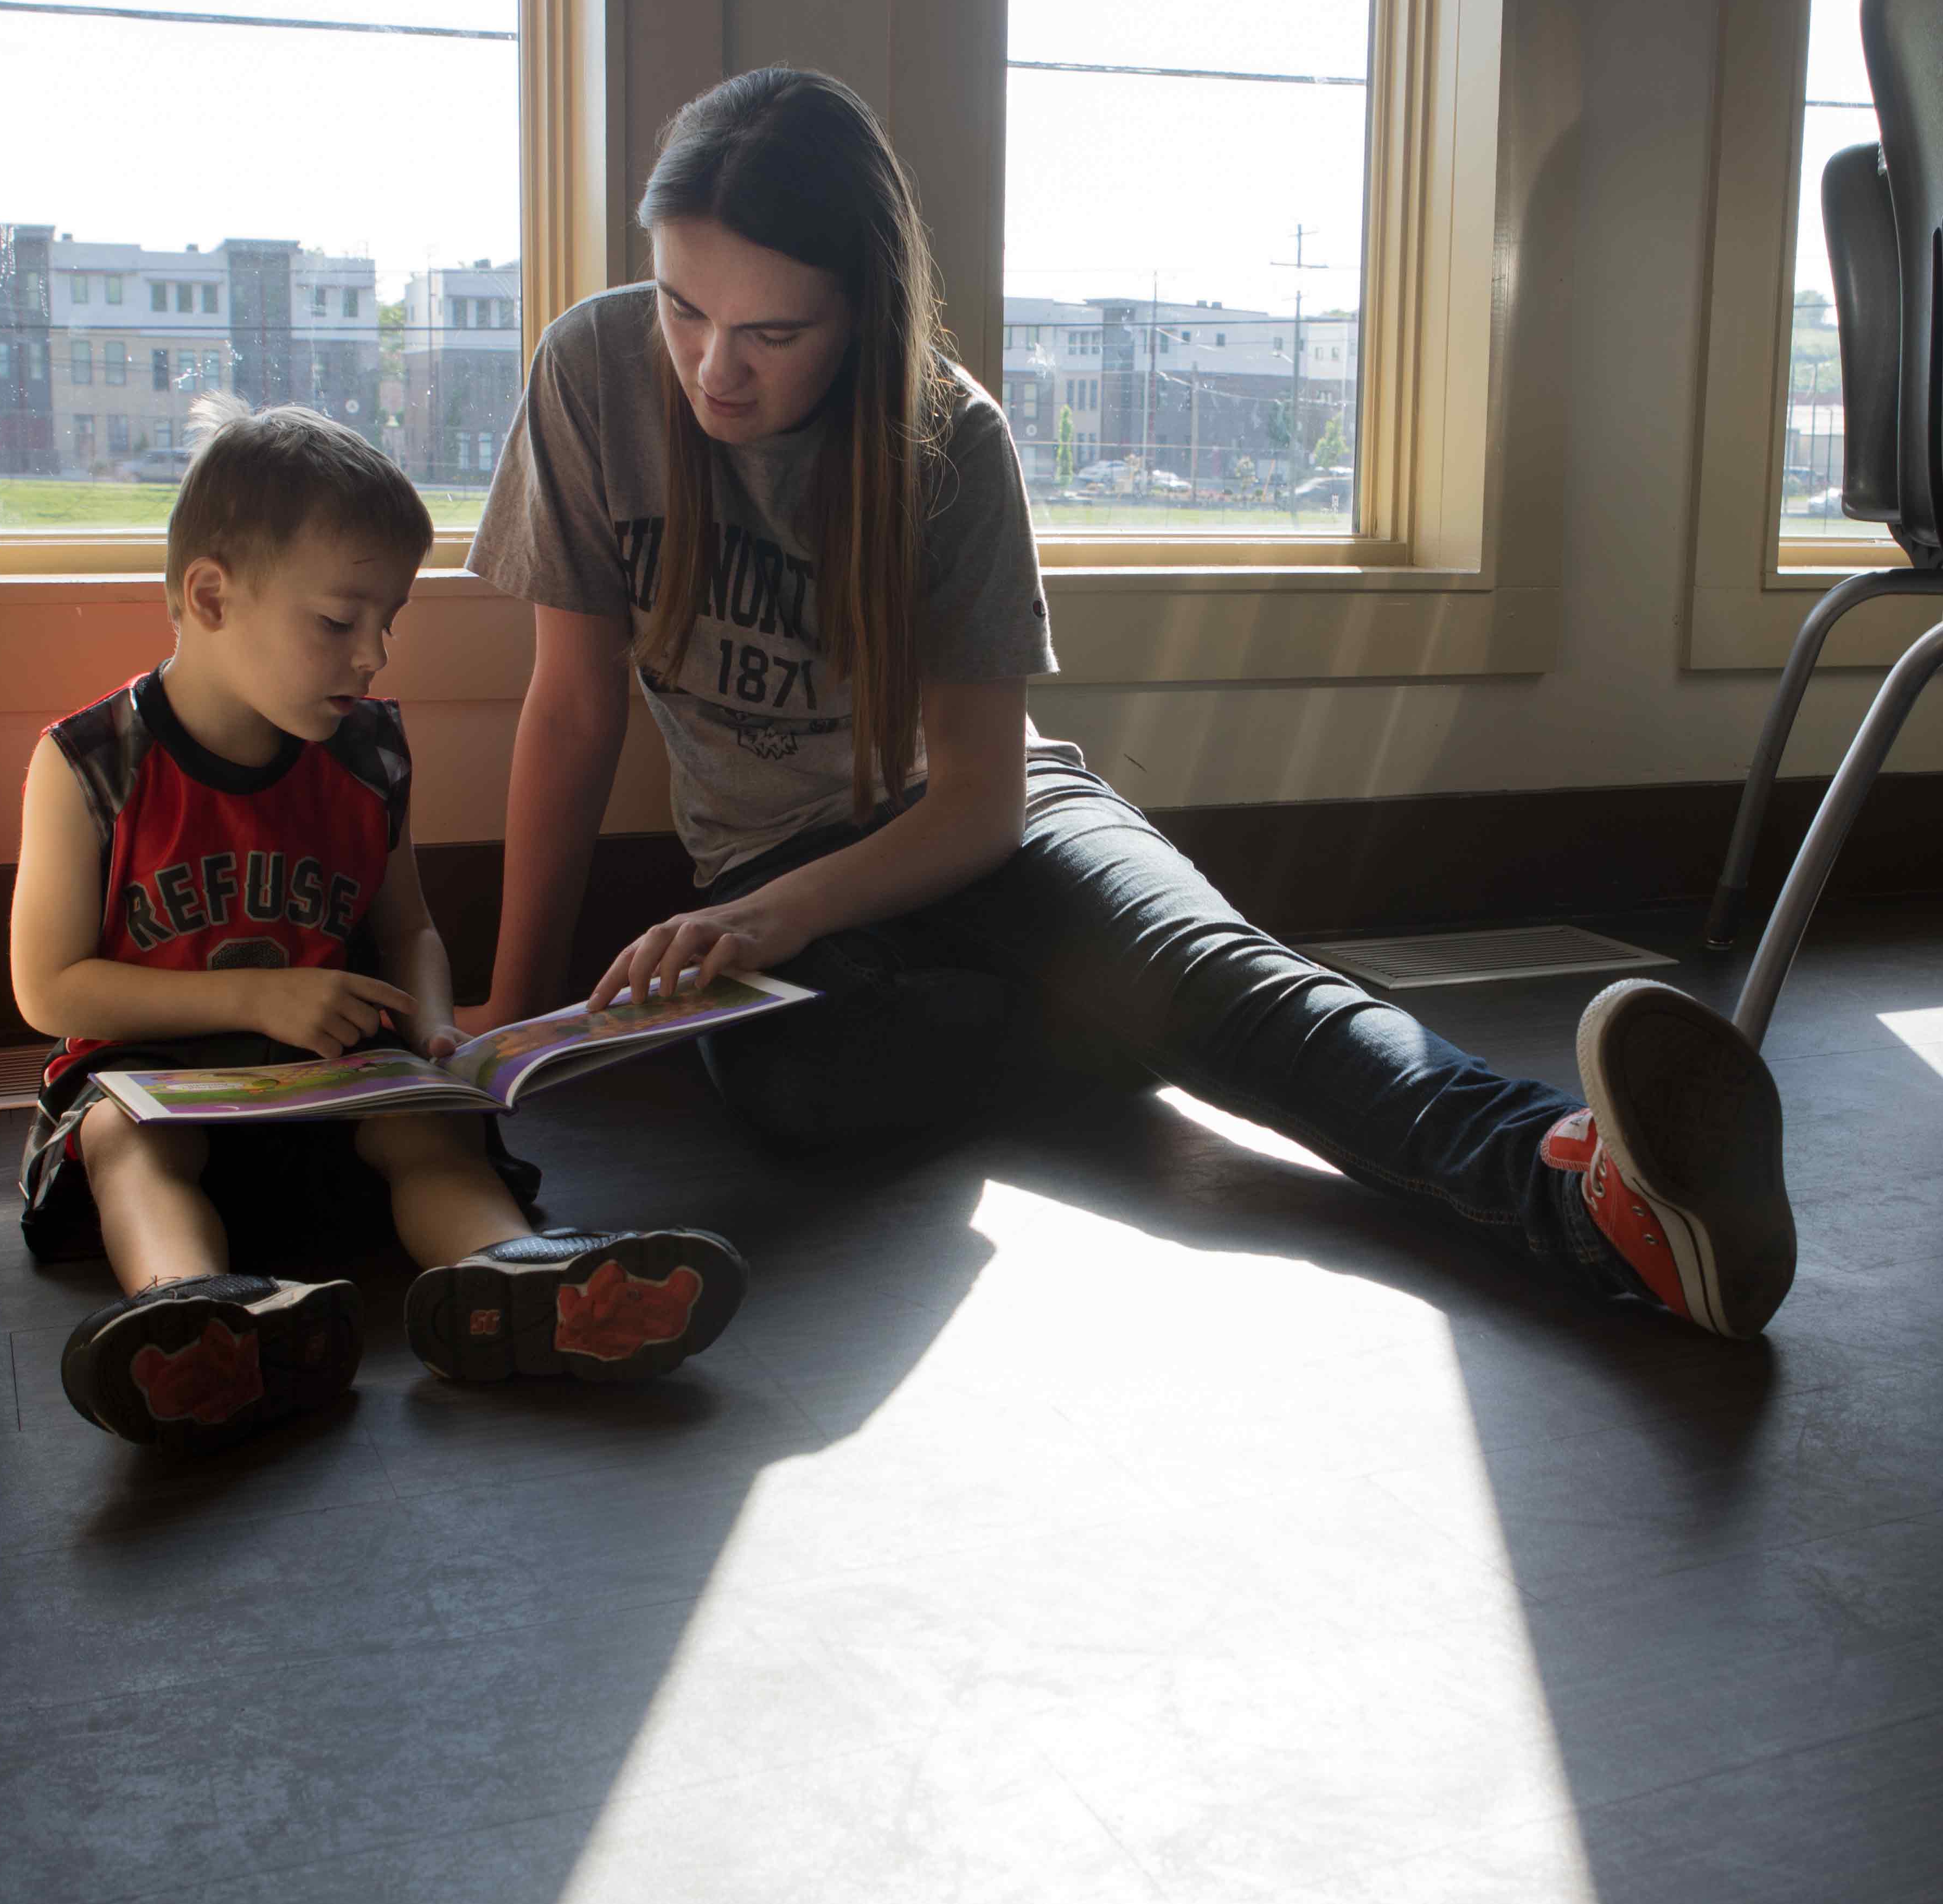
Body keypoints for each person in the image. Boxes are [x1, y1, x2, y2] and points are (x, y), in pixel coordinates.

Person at [464, 66, 1795, 1342]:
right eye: (684, 307)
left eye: (773, 331)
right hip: (775, 857)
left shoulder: (952, 442)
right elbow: (573, 710)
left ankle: (1595, 1193)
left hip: (994, 822)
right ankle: (1107, 1009)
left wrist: (763, 919)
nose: (713, 370)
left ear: (864, 311)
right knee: (806, 1088)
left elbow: (979, 800)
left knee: (1236, 986)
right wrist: (515, 1012)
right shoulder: (591, 376)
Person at [10, 400, 746, 1455]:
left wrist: (438, 1028)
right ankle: (201, 1316)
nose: (374, 656)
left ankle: (518, 1281)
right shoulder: (90, 761)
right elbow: (49, 989)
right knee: (131, 1139)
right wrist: (250, 999)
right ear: (210, 596)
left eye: (389, 620)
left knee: (426, 1124)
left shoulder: (367, 755)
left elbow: (409, 929)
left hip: (327, 1094)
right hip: (154, 1081)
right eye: (339, 621)